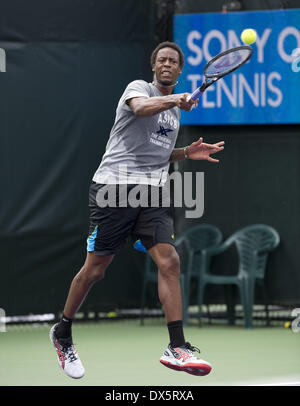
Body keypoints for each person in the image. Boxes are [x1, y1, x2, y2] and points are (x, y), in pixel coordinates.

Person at [50, 41, 224, 379]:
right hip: (113, 189)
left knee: (170, 261)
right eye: (162, 60)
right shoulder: (139, 89)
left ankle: (177, 346)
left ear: (180, 69)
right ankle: (63, 330)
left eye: (173, 61)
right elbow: (143, 108)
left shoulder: (173, 113)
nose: (167, 65)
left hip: (152, 194)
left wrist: (186, 151)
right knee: (96, 270)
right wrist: (175, 98)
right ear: (154, 66)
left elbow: (158, 154)